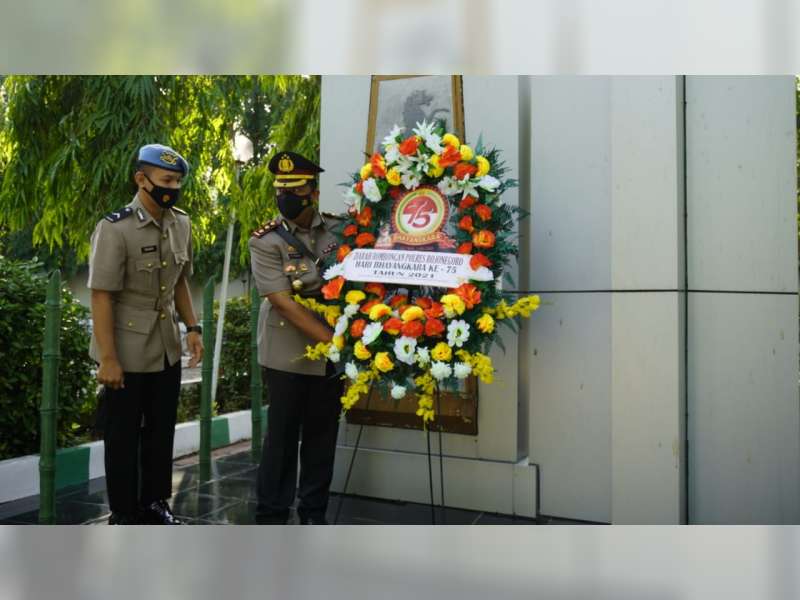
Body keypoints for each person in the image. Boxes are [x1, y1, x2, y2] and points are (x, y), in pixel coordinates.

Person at [88, 143, 203, 525]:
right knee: (121, 437)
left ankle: (155, 502)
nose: (173, 187)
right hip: (125, 347)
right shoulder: (114, 228)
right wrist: (108, 357)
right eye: (166, 180)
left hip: (166, 346)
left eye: (178, 181)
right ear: (142, 179)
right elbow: (102, 296)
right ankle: (123, 511)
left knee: (160, 431)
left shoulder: (181, 222)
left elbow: (181, 281)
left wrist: (193, 327)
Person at [248, 150, 344, 525]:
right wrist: (336, 342)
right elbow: (283, 303)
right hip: (287, 352)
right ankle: (271, 515)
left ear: (314, 193)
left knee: (322, 438)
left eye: (296, 187)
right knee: (282, 440)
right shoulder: (265, 241)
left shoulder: (339, 229)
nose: (286, 195)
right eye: (280, 188)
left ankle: (313, 514)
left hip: (331, 355)